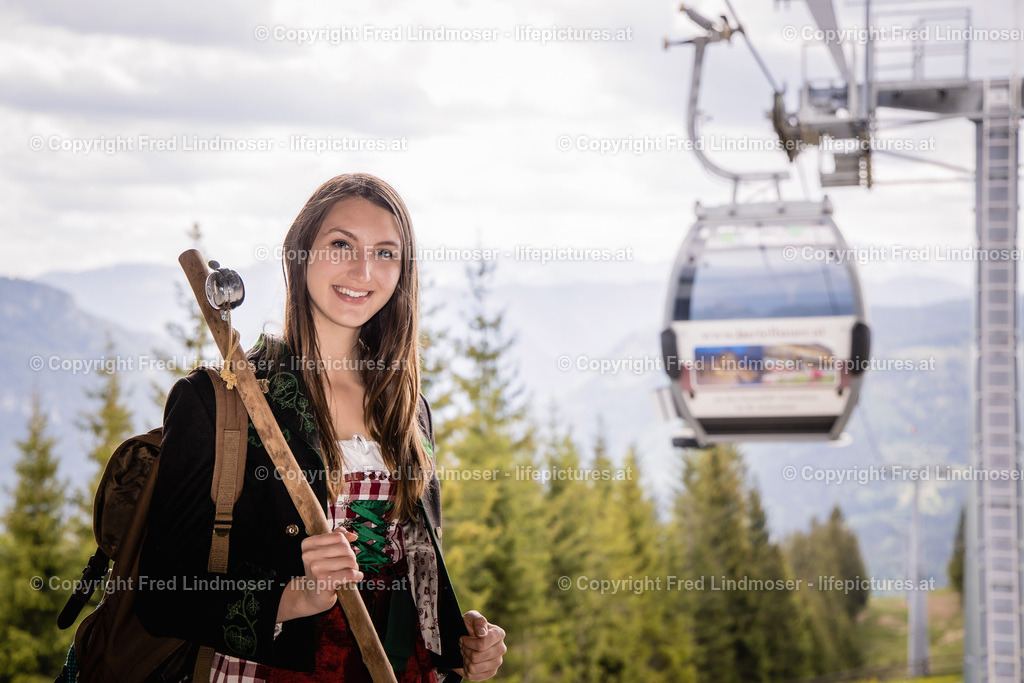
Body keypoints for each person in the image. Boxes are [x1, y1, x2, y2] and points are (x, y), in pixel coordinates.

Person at [135, 173, 507, 682]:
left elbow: (412, 568)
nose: (362, 270)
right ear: (299, 253)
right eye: (340, 245)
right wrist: (294, 596)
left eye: (385, 253)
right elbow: (161, 597)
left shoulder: (408, 408)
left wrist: (458, 641)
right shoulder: (220, 400)